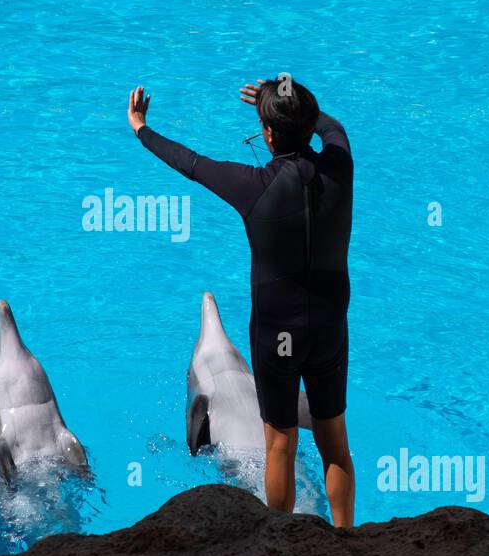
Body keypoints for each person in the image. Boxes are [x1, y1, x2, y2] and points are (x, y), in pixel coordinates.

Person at [127, 78, 356, 526]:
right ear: (307, 126)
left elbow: (190, 163)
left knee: (280, 446)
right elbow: (334, 130)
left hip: (278, 334)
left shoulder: (252, 185)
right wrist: (297, 109)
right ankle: (349, 539)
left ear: (268, 135)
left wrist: (140, 127)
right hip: (330, 327)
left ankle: (283, 539)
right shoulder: (340, 166)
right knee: (335, 445)